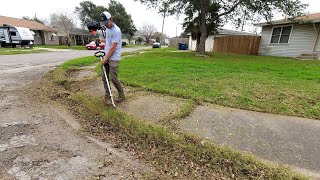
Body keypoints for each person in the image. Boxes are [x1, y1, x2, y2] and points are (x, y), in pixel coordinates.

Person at [99, 11, 125, 105]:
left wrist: (105, 59)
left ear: (111, 19)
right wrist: (102, 41)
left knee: (113, 78)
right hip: (107, 55)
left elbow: (113, 47)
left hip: (114, 58)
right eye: (104, 23)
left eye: (106, 22)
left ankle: (121, 94)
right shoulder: (107, 29)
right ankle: (108, 96)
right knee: (104, 77)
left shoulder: (116, 30)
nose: (105, 25)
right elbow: (109, 41)